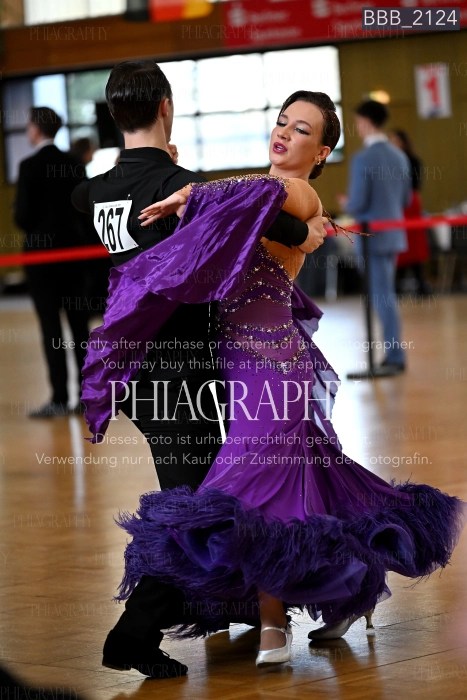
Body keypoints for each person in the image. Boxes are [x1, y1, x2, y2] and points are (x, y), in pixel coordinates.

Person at [81, 91, 464, 670]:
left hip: (271, 364)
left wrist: (188, 192)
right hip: (232, 362)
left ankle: (272, 623)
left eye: (302, 129)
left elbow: (250, 197)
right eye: (282, 122)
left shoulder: (298, 193)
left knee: (248, 486)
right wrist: (189, 191)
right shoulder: (257, 192)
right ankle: (353, 583)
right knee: (309, 479)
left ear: (323, 151)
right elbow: (236, 203)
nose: (284, 133)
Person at [72, 60, 326, 679]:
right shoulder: (182, 184)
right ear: (167, 107)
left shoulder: (94, 193)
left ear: (115, 115)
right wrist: (310, 232)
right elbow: (285, 224)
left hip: (133, 371)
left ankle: (231, 608)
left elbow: (90, 208)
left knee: (209, 494)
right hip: (181, 372)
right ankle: (134, 635)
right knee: (200, 507)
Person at [14, 107, 89, 417]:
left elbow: (22, 217)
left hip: (42, 260)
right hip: (75, 256)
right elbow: (86, 209)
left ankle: (58, 397)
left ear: (36, 128)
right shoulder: (74, 164)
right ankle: (87, 397)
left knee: (51, 328)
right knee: (80, 326)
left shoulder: (29, 166)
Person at [339, 100, 411, 374]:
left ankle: (394, 356)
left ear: (367, 122)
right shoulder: (399, 156)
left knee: (382, 297)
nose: (357, 127)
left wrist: (347, 203)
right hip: (394, 233)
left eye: (358, 122)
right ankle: (394, 354)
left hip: (372, 237)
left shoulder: (364, 159)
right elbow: (405, 199)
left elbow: (358, 202)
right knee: (386, 294)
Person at [389, 129, 431, 296]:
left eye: (395, 140)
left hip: (410, 205)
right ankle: (398, 285)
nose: (393, 144)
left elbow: (414, 185)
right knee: (400, 246)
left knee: (414, 245)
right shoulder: (390, 161)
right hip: (397, 205)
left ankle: (420, 283)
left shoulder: (412, 161)